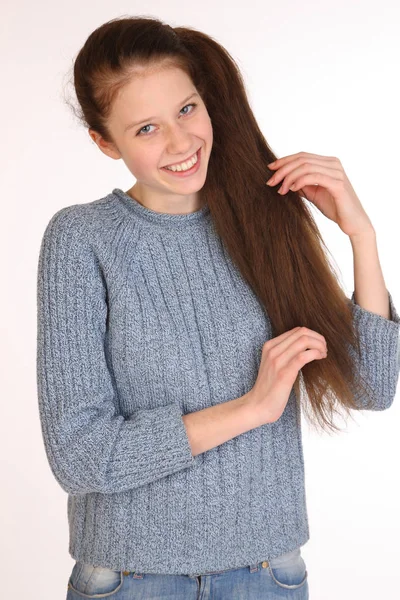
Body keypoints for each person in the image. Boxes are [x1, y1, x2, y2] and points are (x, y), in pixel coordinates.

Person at [36, 16, 400, 600]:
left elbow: (373, 387)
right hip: (131, 578)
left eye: (187, 110)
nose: (181, 144)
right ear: (106, 143)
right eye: (147, 129)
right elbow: (79, 455)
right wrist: (252, 408)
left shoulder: (266, 214)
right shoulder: (82, 239)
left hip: (268, 573)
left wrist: (361, 234)